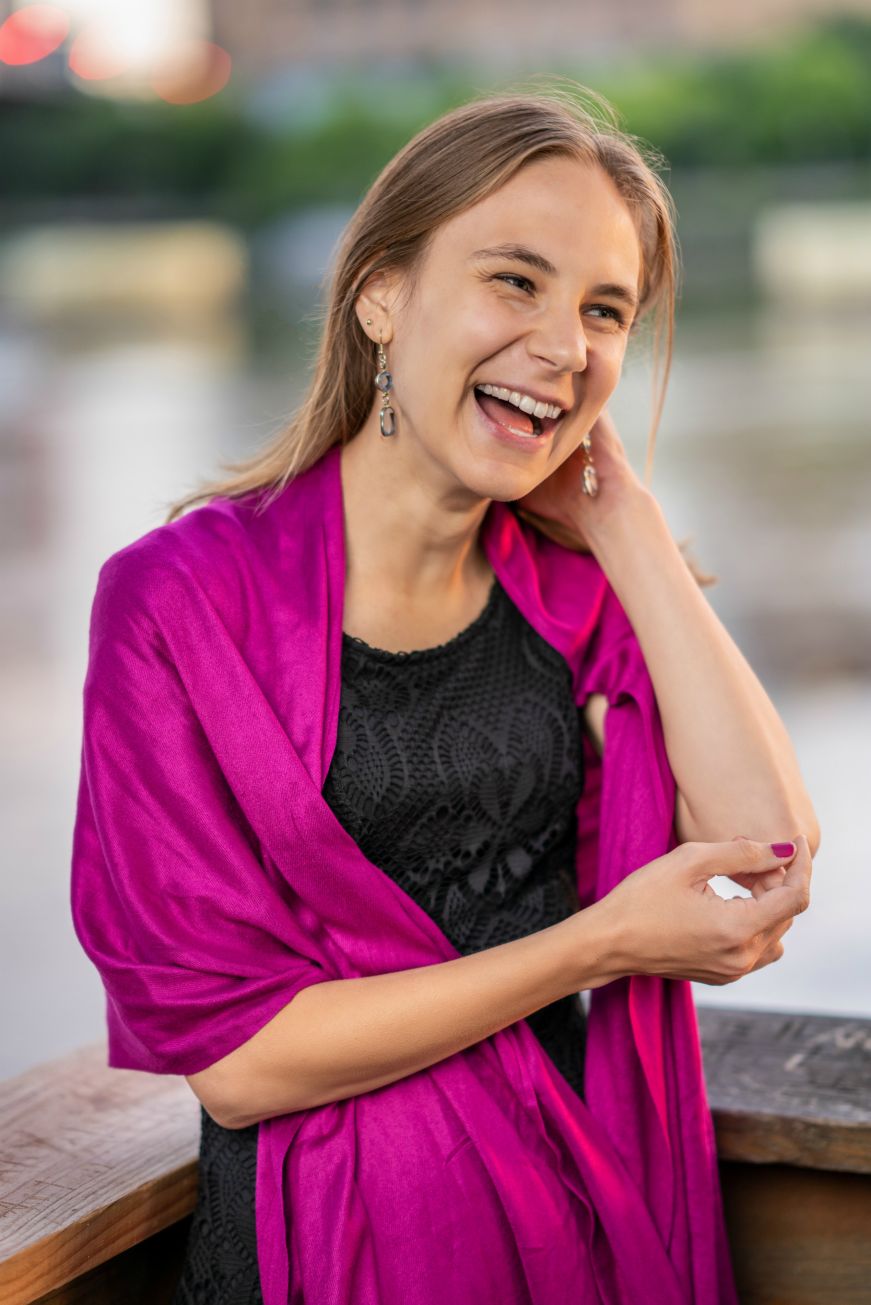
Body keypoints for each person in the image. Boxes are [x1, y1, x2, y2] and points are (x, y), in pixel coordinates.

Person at [71, 81, 819, 1305]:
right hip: (320, 1245)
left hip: (575, 1206)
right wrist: (601, 940)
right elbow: (239, 1063)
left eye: (604, 311)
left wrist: (628, 527)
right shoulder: (178, 605)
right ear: (382, 294)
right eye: (513, 281)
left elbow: (766, 852)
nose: (565, 346)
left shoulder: (569, 590)